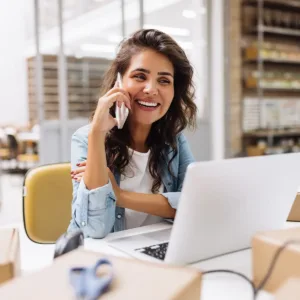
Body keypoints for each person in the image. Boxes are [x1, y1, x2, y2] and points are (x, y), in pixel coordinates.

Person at [68, 29, 197, 238]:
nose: (151, 89)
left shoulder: (173, 140)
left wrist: (119, 196)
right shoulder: (86, 138)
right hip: (105, 258)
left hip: (156, 249)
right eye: (140, 76)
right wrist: (97, 134)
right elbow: (94, 229)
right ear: (118, 83)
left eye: (164, 80)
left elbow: (193, 206)